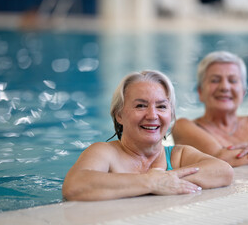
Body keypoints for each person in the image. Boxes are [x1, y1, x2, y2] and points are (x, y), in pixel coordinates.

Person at [62, 70, 233, 201]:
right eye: (141, 106)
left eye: (161, 107)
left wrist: (163, 180)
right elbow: (74, 185)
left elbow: (223, 171)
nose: (152, 115)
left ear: (171, 115)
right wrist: (151, 182)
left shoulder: (178, 156)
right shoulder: (105, 153)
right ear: (119, 115)